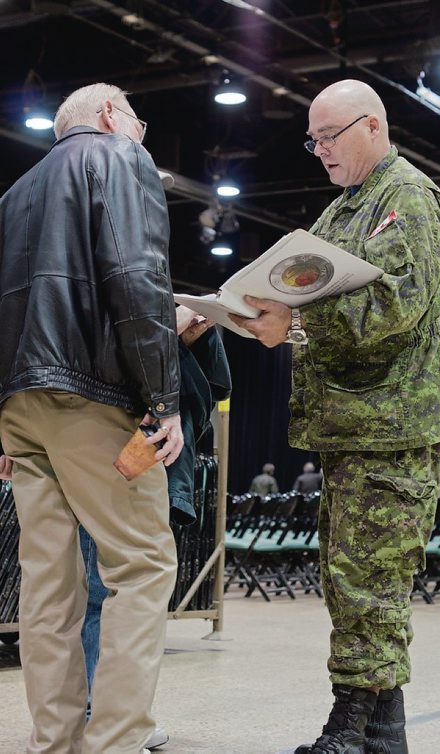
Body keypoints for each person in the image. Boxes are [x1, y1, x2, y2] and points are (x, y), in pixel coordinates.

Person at [229, 79, 440, 754]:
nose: (320, 150)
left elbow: (397, 303)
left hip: (392, 426)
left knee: (369, 580)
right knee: (350, 576)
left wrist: (295, 317)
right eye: (313, 138)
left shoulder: (406, 198)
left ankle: (348, 729)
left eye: (330, 136)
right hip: (353, 428)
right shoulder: (344, 212)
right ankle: (381, 740)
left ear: (373, 128)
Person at [0, 82, 184, 754]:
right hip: (93, 394)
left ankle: (53, 742)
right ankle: (114, 742)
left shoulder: (13, 196)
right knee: (141, 565)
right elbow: (138, 277)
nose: (141, 132)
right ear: (110, 115)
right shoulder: (116, 155)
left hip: (21, 407)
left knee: (48, 586)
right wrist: (164, 398)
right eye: (138, 117)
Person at [80, 308, 232, 750]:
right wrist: (169, 336)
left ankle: (98, 714)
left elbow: (207, 390)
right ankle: (107, 718)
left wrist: (182, 340)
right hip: (114, 446)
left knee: (94, 592)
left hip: (113, 448)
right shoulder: (121, 289)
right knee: (112, 593)